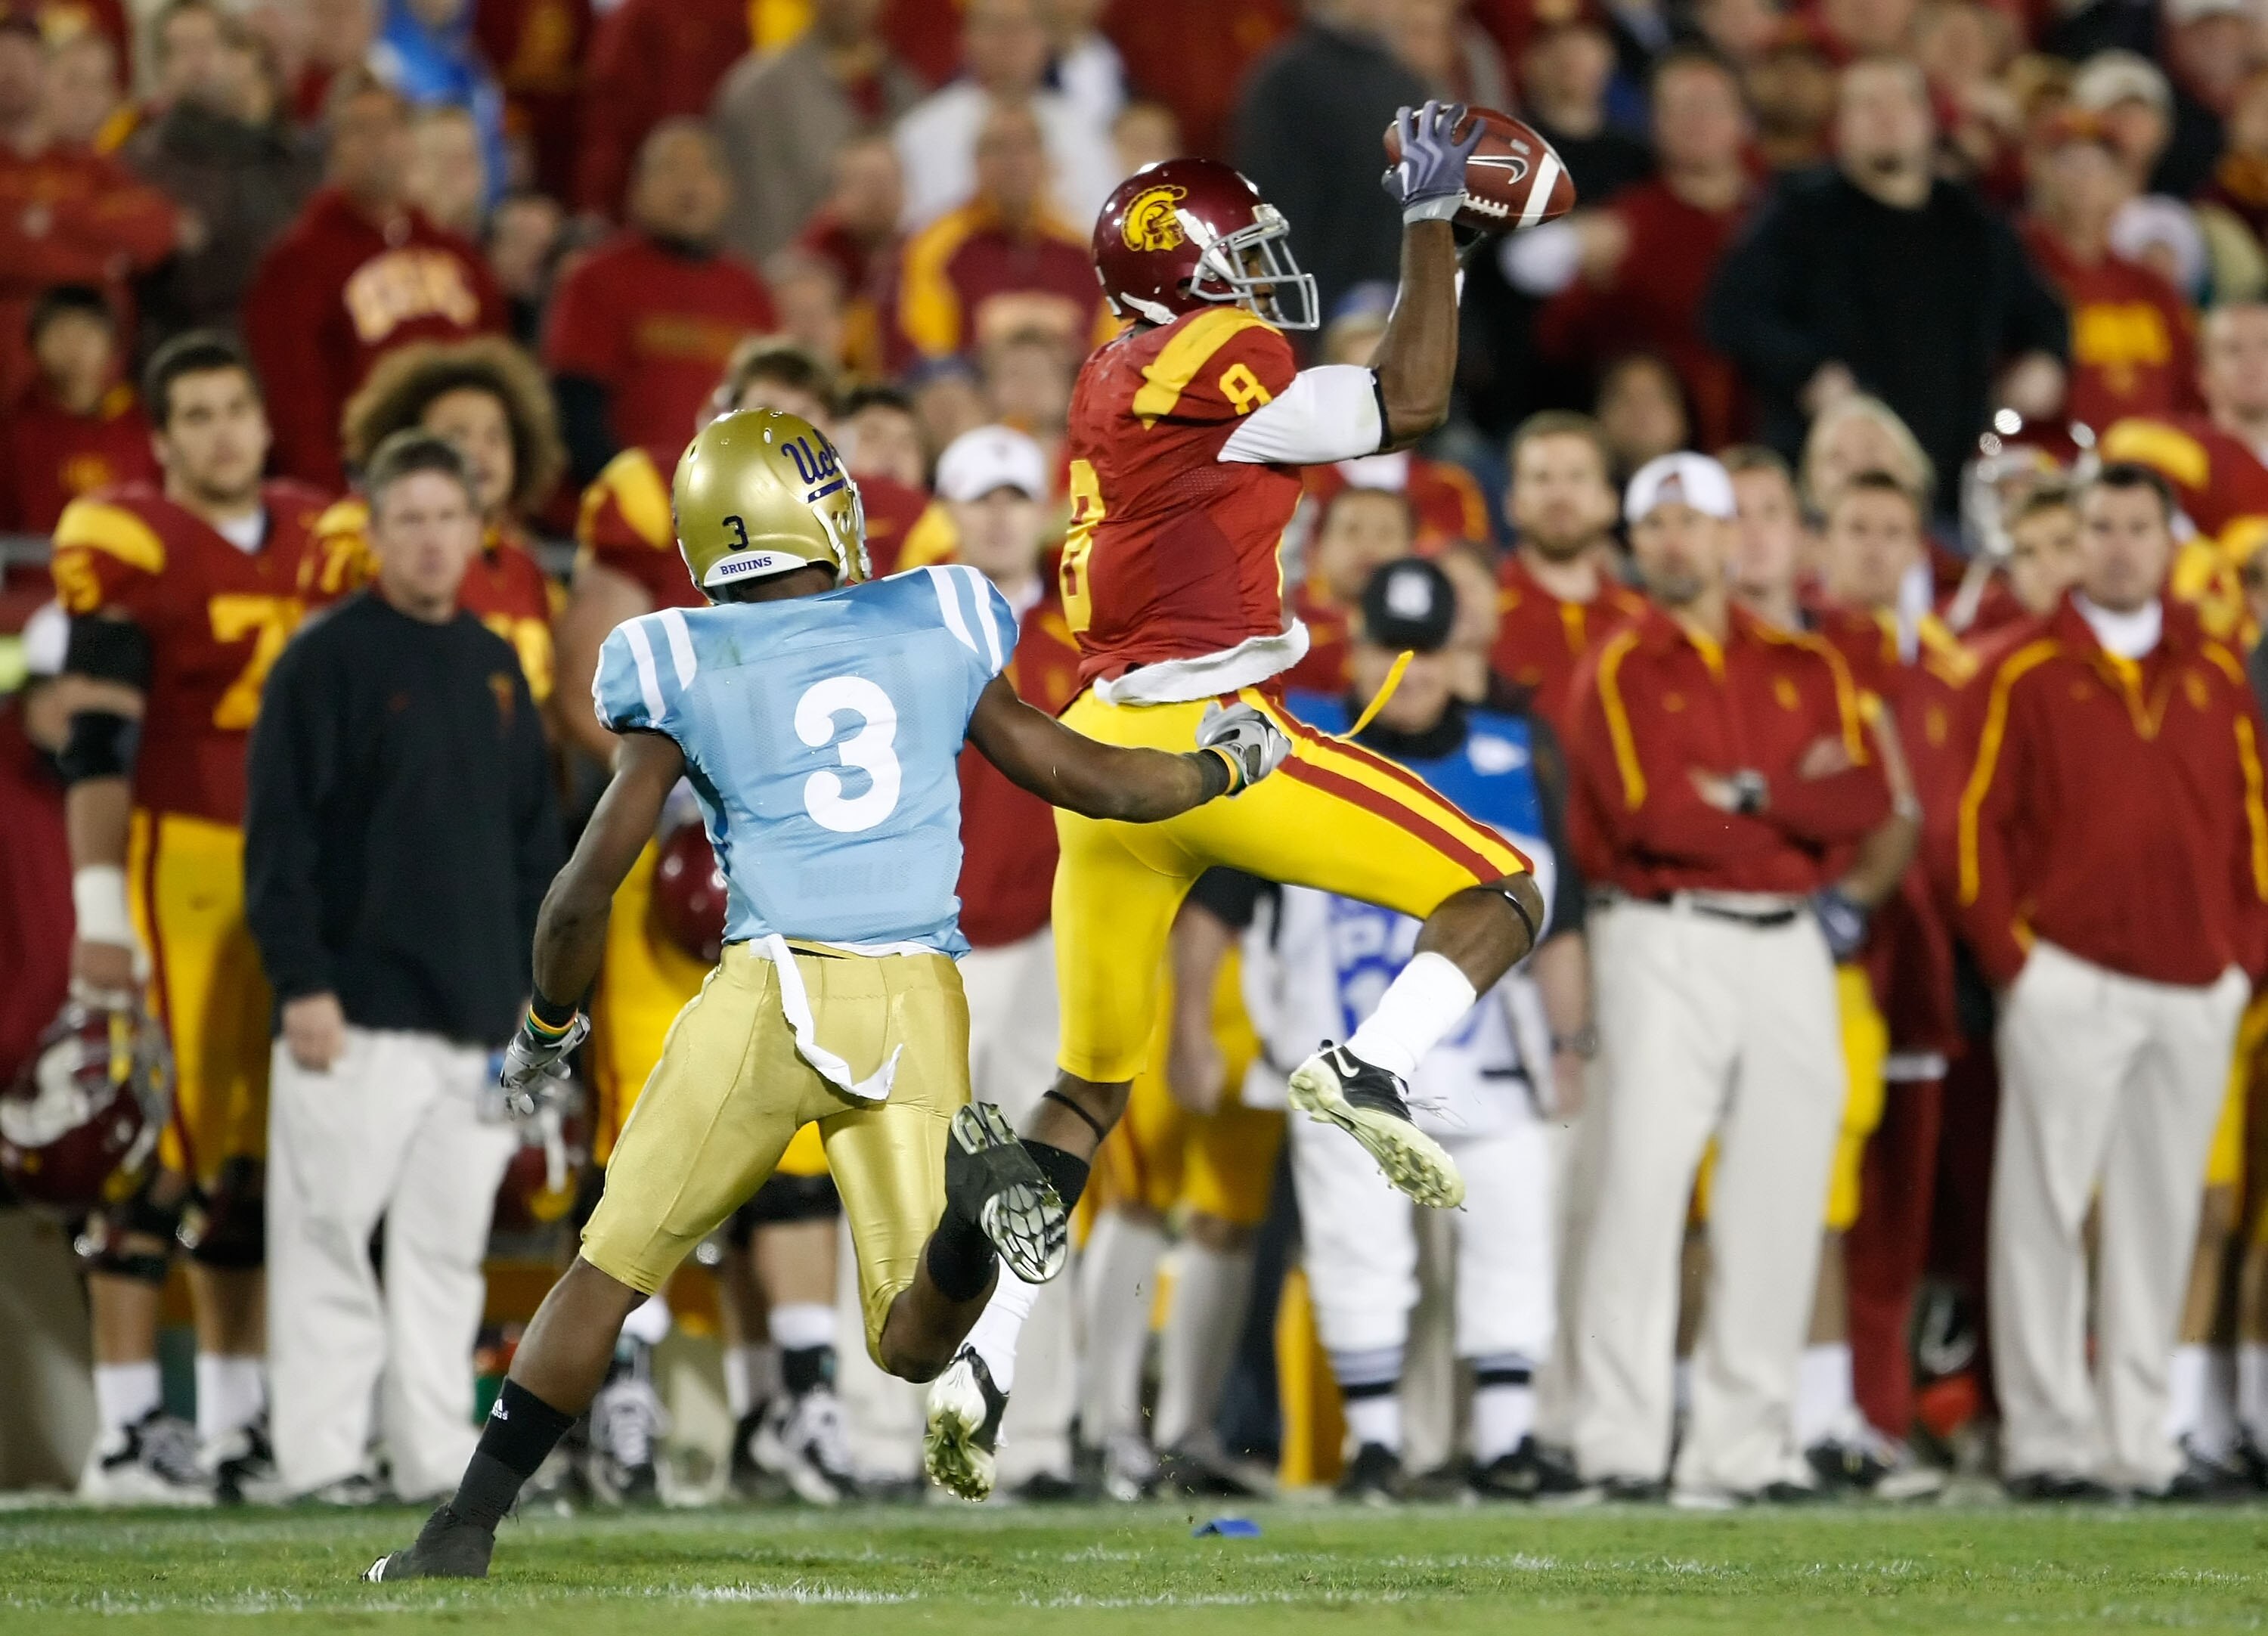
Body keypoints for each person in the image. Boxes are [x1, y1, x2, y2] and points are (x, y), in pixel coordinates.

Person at [361, 405, 1292, 1579]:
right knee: (909, 1340)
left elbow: (583, 889)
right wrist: (1218, 765)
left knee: (608, 1270)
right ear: (809, 510)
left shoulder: (675, 655)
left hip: (771, 992)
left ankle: (461, 1529)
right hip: (917, 996)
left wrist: (549, 1025)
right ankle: (969, 1213)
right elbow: (1093, 780)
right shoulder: (934, 614)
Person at [920, 108, 1547, 1502]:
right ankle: (1375, 1062)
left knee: (1083, 1094)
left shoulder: (1115, 369)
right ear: (1186, 271)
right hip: (1212, 738)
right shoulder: (1219, 354)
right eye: (1244, 254)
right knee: (1507, 888)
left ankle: (982, 1359)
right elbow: (1411, 403)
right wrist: (1436, 220)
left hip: (1102, 743)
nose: (1266, 279)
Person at [1552, 451, 1910, 1505]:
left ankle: (1744, 1447)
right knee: (1639, 1191)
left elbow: (1866, 802)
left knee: (1780, 1197)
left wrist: (1744, 795)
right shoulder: (1616, 664)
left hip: (1791, 941)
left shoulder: (1805, 662)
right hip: (1662, 933)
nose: (1674, 542)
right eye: (1653, 524)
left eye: (1692, 522)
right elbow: (1651, 816)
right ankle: (1618, 1444)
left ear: (1730, 539)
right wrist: (1784, 802)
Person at [243, 432, 557, 1502]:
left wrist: (531, 1010)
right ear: (372, 535)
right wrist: (303, 983)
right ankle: (323, 1460)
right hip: (356, 1014)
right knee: (328, 1238)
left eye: (446, 517)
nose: (429, 539)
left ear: (479, 532)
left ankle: (432, 1464)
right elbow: (278, 840)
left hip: (474, 1023)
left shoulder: (496, 664)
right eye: (407, 519)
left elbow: (532, 855)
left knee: (443, 1256)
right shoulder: (323, 661)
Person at [48, 331, 334, 1504]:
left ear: (266, 423)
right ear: (161, 441)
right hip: (181, 859)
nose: (223, 432)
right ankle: (123, 1429)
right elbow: (98, 740)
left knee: (252, 1152)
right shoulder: (128, 541)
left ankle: (232, 1422)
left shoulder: (329, 540)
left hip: (290, 867)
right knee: (158, 1139)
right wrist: (100, 904)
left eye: (237, 409)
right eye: (197, 416)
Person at [1959, 463, 2266, 1499]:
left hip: (2193, 985)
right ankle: (2048, 1441)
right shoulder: (2025, 669)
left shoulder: (2217, 672)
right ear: (2080, 540)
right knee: (2041, 1212)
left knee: (2161, 1215)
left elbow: (2255, 830)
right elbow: (1975, 833)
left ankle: (2140, 1438)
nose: (2123, 544)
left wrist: (2242, 959)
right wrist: (2018, 961)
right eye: (2104, 526)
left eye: (2140, 526)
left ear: (2172, 542)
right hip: (2069, 978)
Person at [1254, 556, 1579, 1504]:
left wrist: (1571, 1043)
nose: (1410, 671)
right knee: (1357, 1245)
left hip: (1494, 1054)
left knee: (1515, 1232)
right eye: (1390, 651)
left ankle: (1507, 1440)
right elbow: (1229, 904)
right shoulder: (1298, 746)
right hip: (1337, 1050)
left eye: (1427, 652)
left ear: (1459, 655)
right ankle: (1378, 1444)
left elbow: (1573, 919)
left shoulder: (1515, 753)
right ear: (1352, 652)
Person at [931, 423, 1087, 1496]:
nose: (998, 514)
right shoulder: (913, 628)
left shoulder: (1087, 633)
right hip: (928, 944)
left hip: (1045, 938)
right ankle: (888, 1439)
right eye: (978, 497)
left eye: (1013, 496)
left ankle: (1035, 1439)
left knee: (1036, 1195)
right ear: (947, 508)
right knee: (919, 1201)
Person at [1706, 54, 2067, 507]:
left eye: (1902, 103)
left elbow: (2045, 313)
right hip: (1831, 486)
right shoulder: (1798, 212)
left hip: (1954, 479)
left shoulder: (1971, 221)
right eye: (1868, 105)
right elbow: (1730, 313)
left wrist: (2046, 358)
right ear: (1841, 126)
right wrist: (1806, 370)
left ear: (1929, 121)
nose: (1887, 117)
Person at [243, 70, 504, 488]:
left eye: (391, 126)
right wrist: (331, 493)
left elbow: (499, 371)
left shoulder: (457, 256)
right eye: (358, 130)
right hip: (363, 485)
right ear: (333, 148)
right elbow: (293, 403)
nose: (378, 144)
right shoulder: (297, 263)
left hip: (464, 484)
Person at [314, 336, 565, 704]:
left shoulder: (526, 568)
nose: (480, 452)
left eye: (496, 437)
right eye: (457, 435)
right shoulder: (352, 536)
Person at [1531, 48, 1758, 451]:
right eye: (1678, 107)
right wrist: (1594, 280)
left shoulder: (1781, 216)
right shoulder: (1625, 225)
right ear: (1654, 123)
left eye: (1708, 105)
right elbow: (1558, 341)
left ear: (1742, 119)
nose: (1696, 121)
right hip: (1661, 446)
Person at [544, 120, 776, 485]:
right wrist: (637, 490)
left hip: (728, 515)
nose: (689, 186)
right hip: (628, 506)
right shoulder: (597, 280)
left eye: (704, 170)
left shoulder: (750, 290)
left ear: (728, 189)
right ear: (637, 188)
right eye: (671, 169)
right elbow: (576, 410)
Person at [0, 11, 181, 404]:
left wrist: (49, 223)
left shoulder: (91, 166)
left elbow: (159, 230)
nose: (11, 76)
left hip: (96, 384)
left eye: (23, 62)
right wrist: (98, 260)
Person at [123, 2, 320, 350]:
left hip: (285, 336)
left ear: (236, 55)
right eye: (180, 50)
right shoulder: (140, 164)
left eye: (207, 46)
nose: (198, 62)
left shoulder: (285, 151)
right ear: (161, 68)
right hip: (185, 342)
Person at [1233, 0, 1429, 324]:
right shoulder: (1285, 81)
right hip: (1316, 305)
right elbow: (1269, 210)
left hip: (1396, 299)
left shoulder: (1405, 81)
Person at [885, 101, 1113, 370]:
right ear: (975, 163)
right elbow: (931, 358)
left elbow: (1111, 352)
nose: (1013, 162)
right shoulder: (933, 247)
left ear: (1046, 161)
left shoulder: (1082, 250)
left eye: (1024, 147)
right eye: (998, 148)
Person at [2020, 114, 2198, 433]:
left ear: (2123, 182)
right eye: (2069, 164)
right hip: (2043, 464)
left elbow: (2189, 389)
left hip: (2148, 467)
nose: (2085, 180)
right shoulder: (2018, 270)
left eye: (2099, 167)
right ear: (2041, 174)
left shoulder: (2151, 287)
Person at [712, 0, 922, 265]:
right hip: (791, 288)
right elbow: (751, 224)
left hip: (892, 291)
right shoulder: (759, 94)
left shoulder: (907, 89)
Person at [891, 0, 1117, 234]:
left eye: (1024, 26)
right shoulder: (921, 132)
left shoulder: (1081, 128)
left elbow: (1102, 229)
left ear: (1047, 38)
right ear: (965, 39)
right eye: (996, 26)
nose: (1011, 40)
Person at [1489, 411, 1649, 730]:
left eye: (1577, 477)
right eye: (1541, 478)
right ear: (1512, 504)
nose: (1559, 496)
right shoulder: (1480, 615)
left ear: (1610, 501)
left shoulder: (1643, 622)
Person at [0, 285, 158, 533]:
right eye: (60, 333)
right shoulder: (15, 427)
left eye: (85, 333)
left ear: (113, 343)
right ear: (34, 344)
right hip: (36, 567)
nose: (73, 349)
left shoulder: (145, 422)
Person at [571, 0, 746, 220]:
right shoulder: (644, 15)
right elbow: (614, 119)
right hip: (651, 206)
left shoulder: (754, 13)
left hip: (731, 202)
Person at [1282, 485, 1417, 693]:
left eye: (1386, 534)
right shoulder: (1281, 627)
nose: (1368, 547)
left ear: (1412, 551)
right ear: (1316, 548)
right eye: (1351, 530)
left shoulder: (1429, 636)